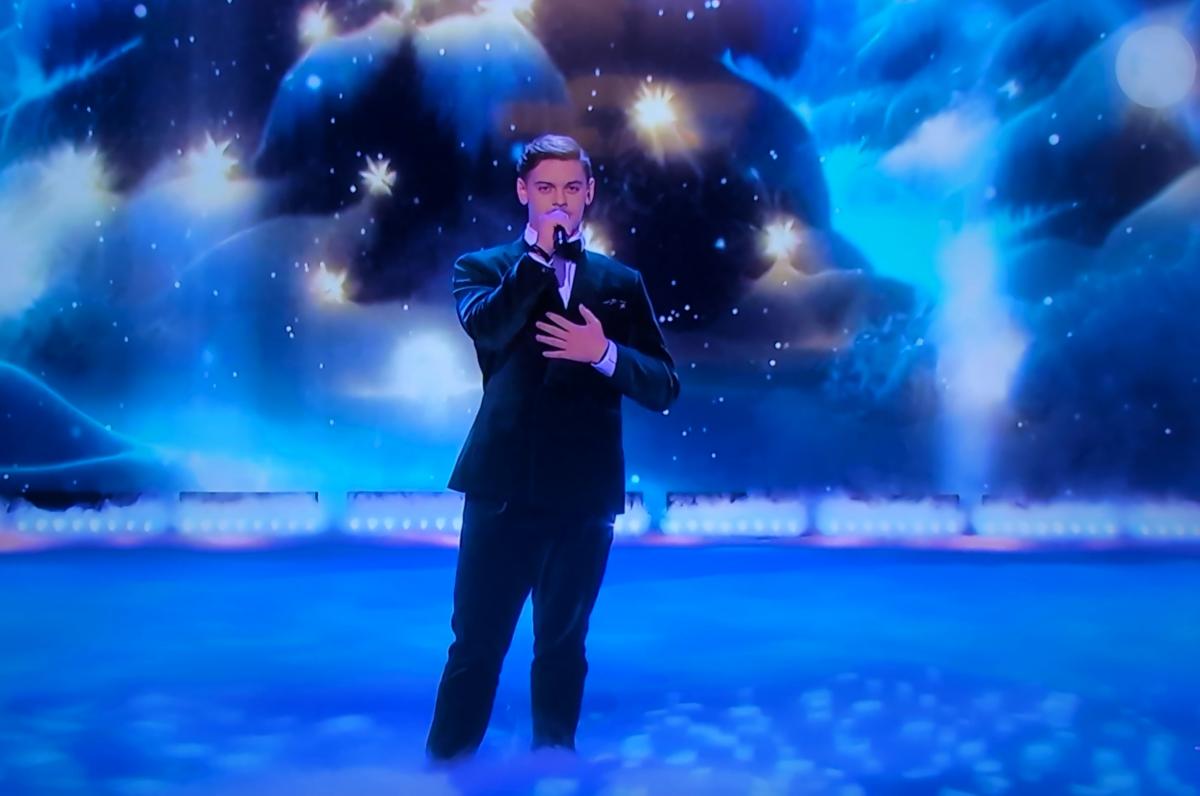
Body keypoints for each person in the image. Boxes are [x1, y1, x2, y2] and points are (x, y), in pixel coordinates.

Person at [426, 133, 680, 760]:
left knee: (564, 644)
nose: (559, 200)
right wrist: (538, 259)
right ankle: (446, 770)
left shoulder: (620, 282)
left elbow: (664, 385)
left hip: (583, 496)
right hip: (501, 489)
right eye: (545, 188)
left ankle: (554, 767)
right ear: (523, 192)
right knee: (476, 644)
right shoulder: (483, 269)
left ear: (589, 193)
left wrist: (604, 353)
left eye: (571, 188)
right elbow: (488, 327)